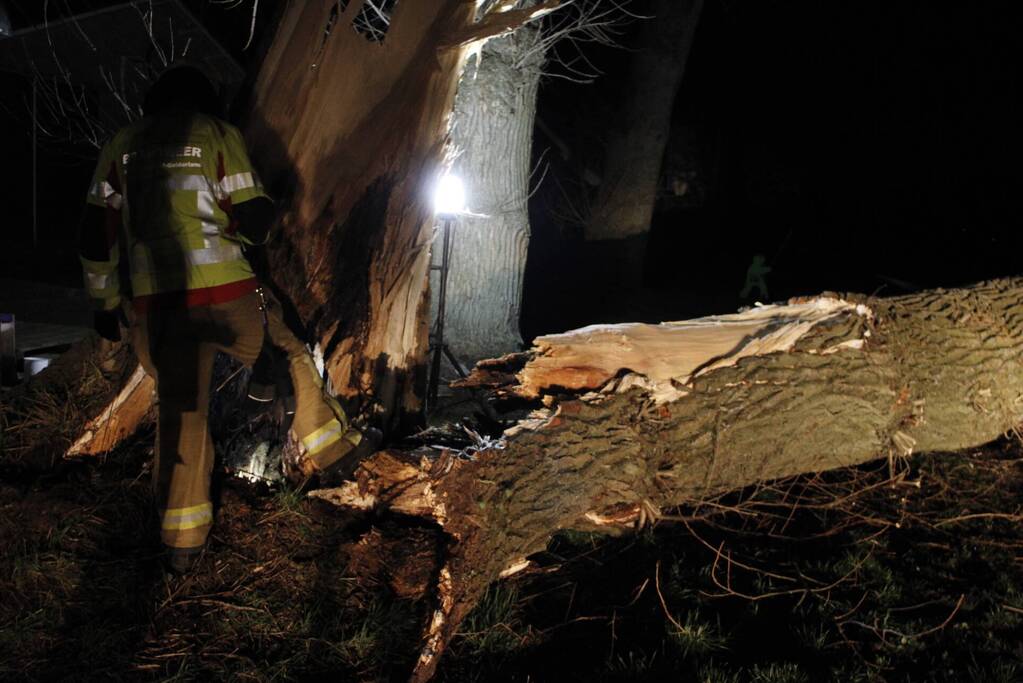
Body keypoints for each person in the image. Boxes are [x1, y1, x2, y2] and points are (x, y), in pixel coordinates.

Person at [79, 65, 374, 573]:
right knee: (288, 352)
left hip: (158, 309)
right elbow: (255, 219)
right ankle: (333, 449)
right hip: (228, 296)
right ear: (202, 102)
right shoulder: (215, 134)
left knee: (182, 411)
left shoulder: (121, 147)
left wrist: (105, 304)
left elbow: (94, 234)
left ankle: (183, 541)